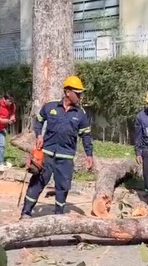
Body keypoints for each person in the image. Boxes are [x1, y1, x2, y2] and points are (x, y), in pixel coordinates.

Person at [20, 75, 94, 218]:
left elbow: (86, 135)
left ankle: (58, 216)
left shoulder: (80, 114)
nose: (80, 96)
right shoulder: (50, 107)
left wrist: (89, 154)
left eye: (80, 93)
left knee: (63, 187)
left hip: (65, 157)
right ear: (67, 92)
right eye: (77, 93)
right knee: (37, 183)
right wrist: (39, 135)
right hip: (47, 154)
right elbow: (39, 120)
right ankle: (26, 212)